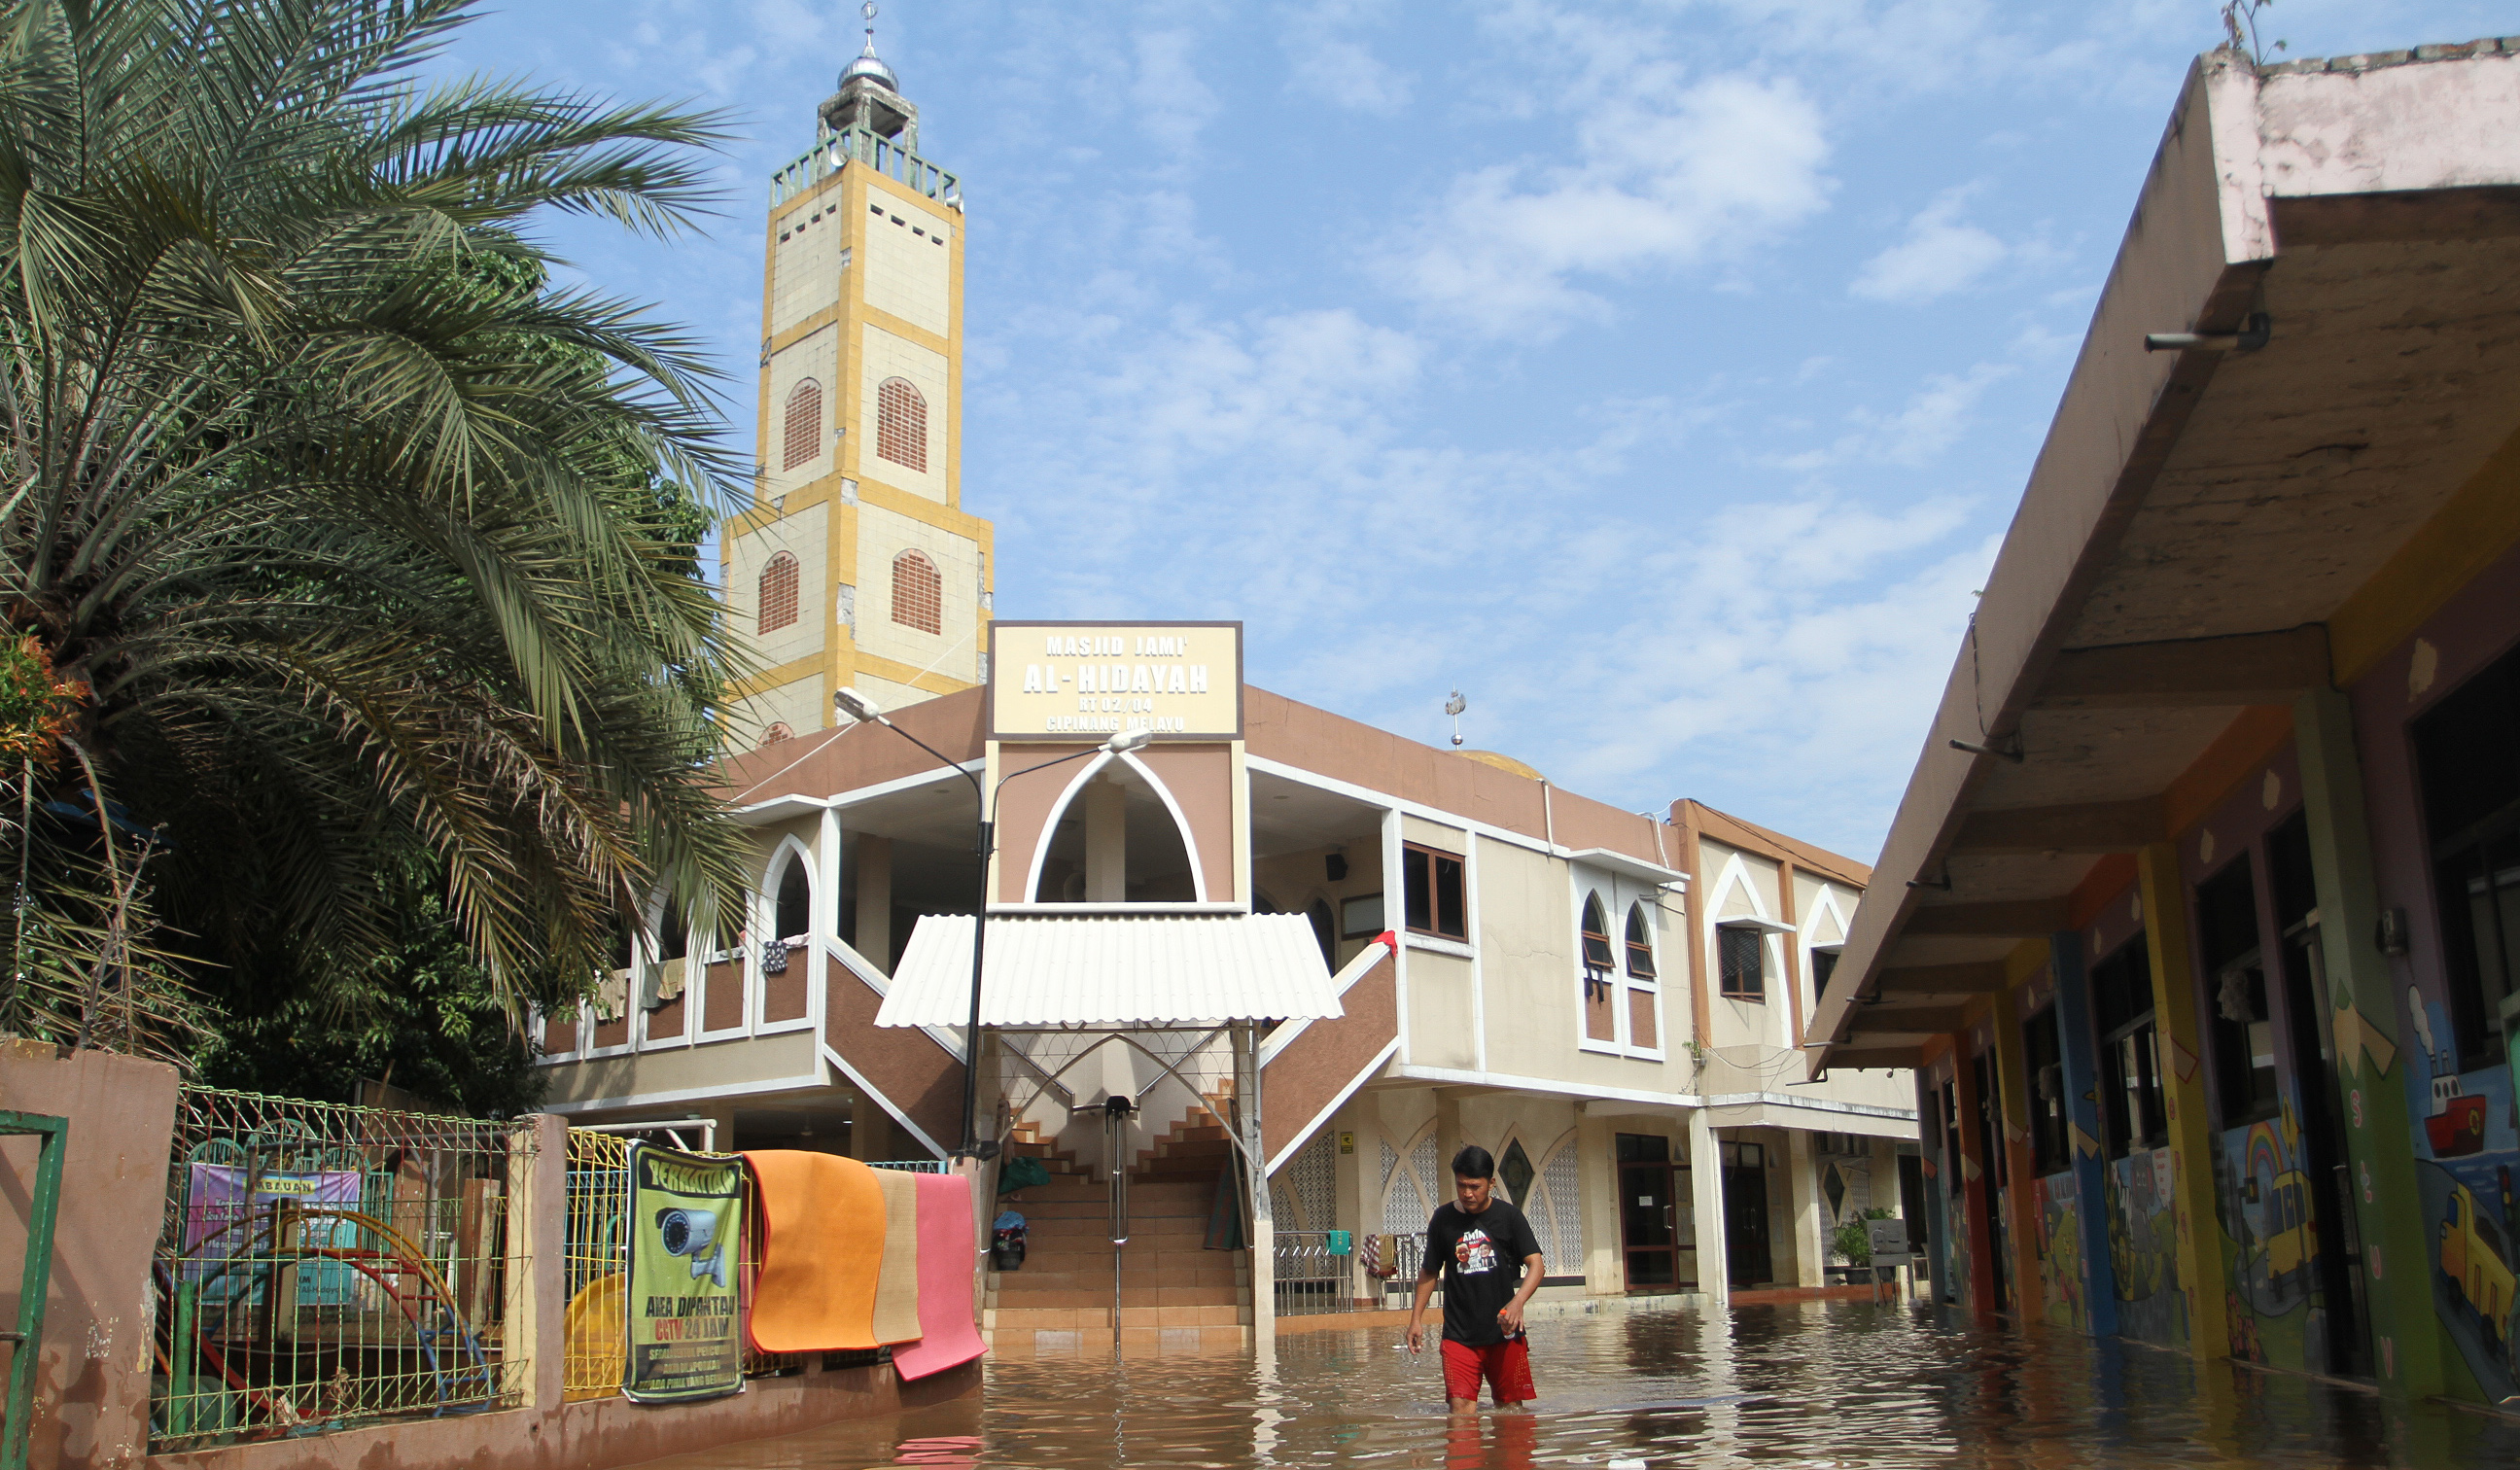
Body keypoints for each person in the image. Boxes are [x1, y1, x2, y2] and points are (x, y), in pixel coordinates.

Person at [1405, 1145, 1545, 1414]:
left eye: (1475, 1186)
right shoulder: (1443, 1219)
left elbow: (1536, 1265)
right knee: (1460, 1411)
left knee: (1510, 1413)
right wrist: (1415, 1319)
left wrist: (1517, 1302)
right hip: (1458, 1335)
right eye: (1461, 1185)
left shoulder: (1510, 1217)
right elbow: (1429, 1271)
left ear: (1491, 1183)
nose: (1467, 1193)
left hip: (1505, 1334)